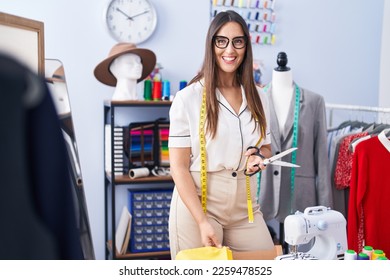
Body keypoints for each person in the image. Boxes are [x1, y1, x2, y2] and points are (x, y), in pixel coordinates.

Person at [168, 10, 274, 259]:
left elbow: (267, 148)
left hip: (244, 205)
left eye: (238, 41)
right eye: (221, 41)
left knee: (268, 262)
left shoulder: (260, 96)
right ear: (211, 44)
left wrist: (257, 156)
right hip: (200, 204)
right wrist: (202, 221)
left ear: (246, 45)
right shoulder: (189, 99)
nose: (230, 50)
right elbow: (179, 168)